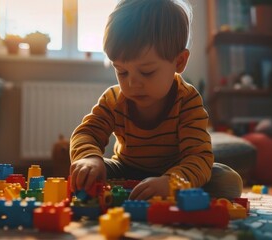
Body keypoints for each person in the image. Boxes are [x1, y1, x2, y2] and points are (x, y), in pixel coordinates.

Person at [69, 0, 242, 200]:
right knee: (89, 172)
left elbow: (198, 157)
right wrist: (89, 159)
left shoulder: (187, 101)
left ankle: (168, 192)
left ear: (179, 62)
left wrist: (171, 183)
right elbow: (87, 133)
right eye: (122, 71)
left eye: (147, 72)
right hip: (126, 170)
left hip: (175, 172)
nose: (132, 83)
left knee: (227, 181)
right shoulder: (114, 99)